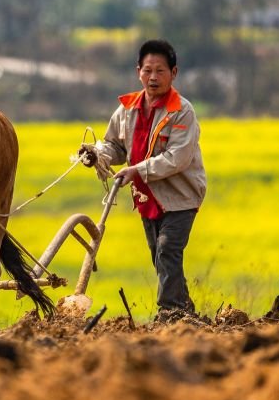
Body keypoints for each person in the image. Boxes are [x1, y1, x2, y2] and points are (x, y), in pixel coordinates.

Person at [80, 39, 207, 322]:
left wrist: (136, 170)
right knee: (159, 256)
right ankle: (186, 312)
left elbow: (178, 157)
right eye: (148, 70)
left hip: (180, 196)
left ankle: (170, 311)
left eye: (160, 71)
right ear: (138, 71)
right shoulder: (127, 109)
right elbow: (115, 146)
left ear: (174, 73)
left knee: (167, 249)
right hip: (147, 197)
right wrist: (97, 154)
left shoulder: (182, 112)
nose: (153, 77)